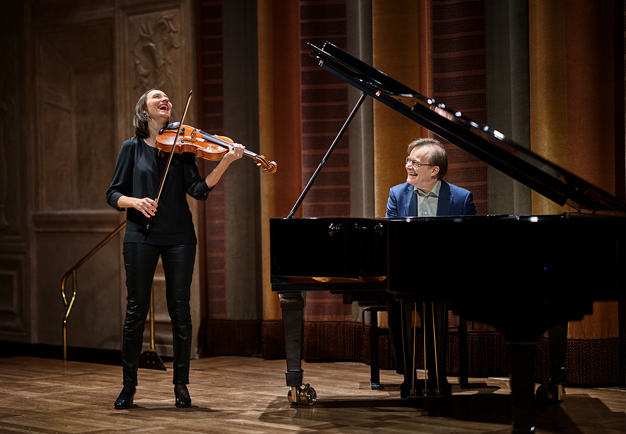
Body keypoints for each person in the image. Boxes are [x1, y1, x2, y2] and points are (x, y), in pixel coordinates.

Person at [106, 89, 244, 409]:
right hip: (140, 234)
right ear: (144, 111)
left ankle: (181, 383)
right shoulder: (132, 148)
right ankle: (128, 385)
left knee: (181, 310)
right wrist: (135, 202)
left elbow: (198, 190)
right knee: (135, 311)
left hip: (180, 236)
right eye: (157, 97)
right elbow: (113, 194)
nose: (165, 99)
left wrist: (225, 160)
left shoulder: (182, 148)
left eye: (167, 97)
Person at [386, 137, 475, 398]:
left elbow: (469, 243)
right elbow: (392, 236)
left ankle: (438, 375)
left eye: (415, 162)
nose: (408, 167)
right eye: (408, 161)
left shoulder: (461, 198)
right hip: (407, 274)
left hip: (446, 275)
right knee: (396, 300)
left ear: (434, 170)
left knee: (436, 301)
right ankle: (408, 375)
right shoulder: (396, 193)